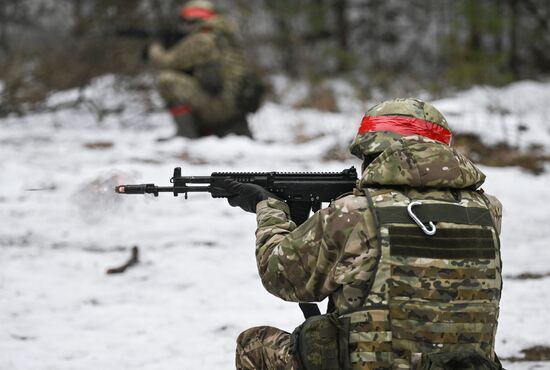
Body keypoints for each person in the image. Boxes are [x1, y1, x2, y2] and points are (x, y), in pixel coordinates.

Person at [225, 98, 503, 370]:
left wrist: (269, 209)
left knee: (254, 345)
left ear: (377, 153)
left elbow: (281, 276)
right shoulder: (488, 212)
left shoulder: (354, 213)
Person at [148, 0, 260, 139]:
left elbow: (166, 62)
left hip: (221, 106)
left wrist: (154, 48)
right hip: (235, 107)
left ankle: (186, 135)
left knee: (167, 80)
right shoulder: (225, 37)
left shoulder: (202, 39)